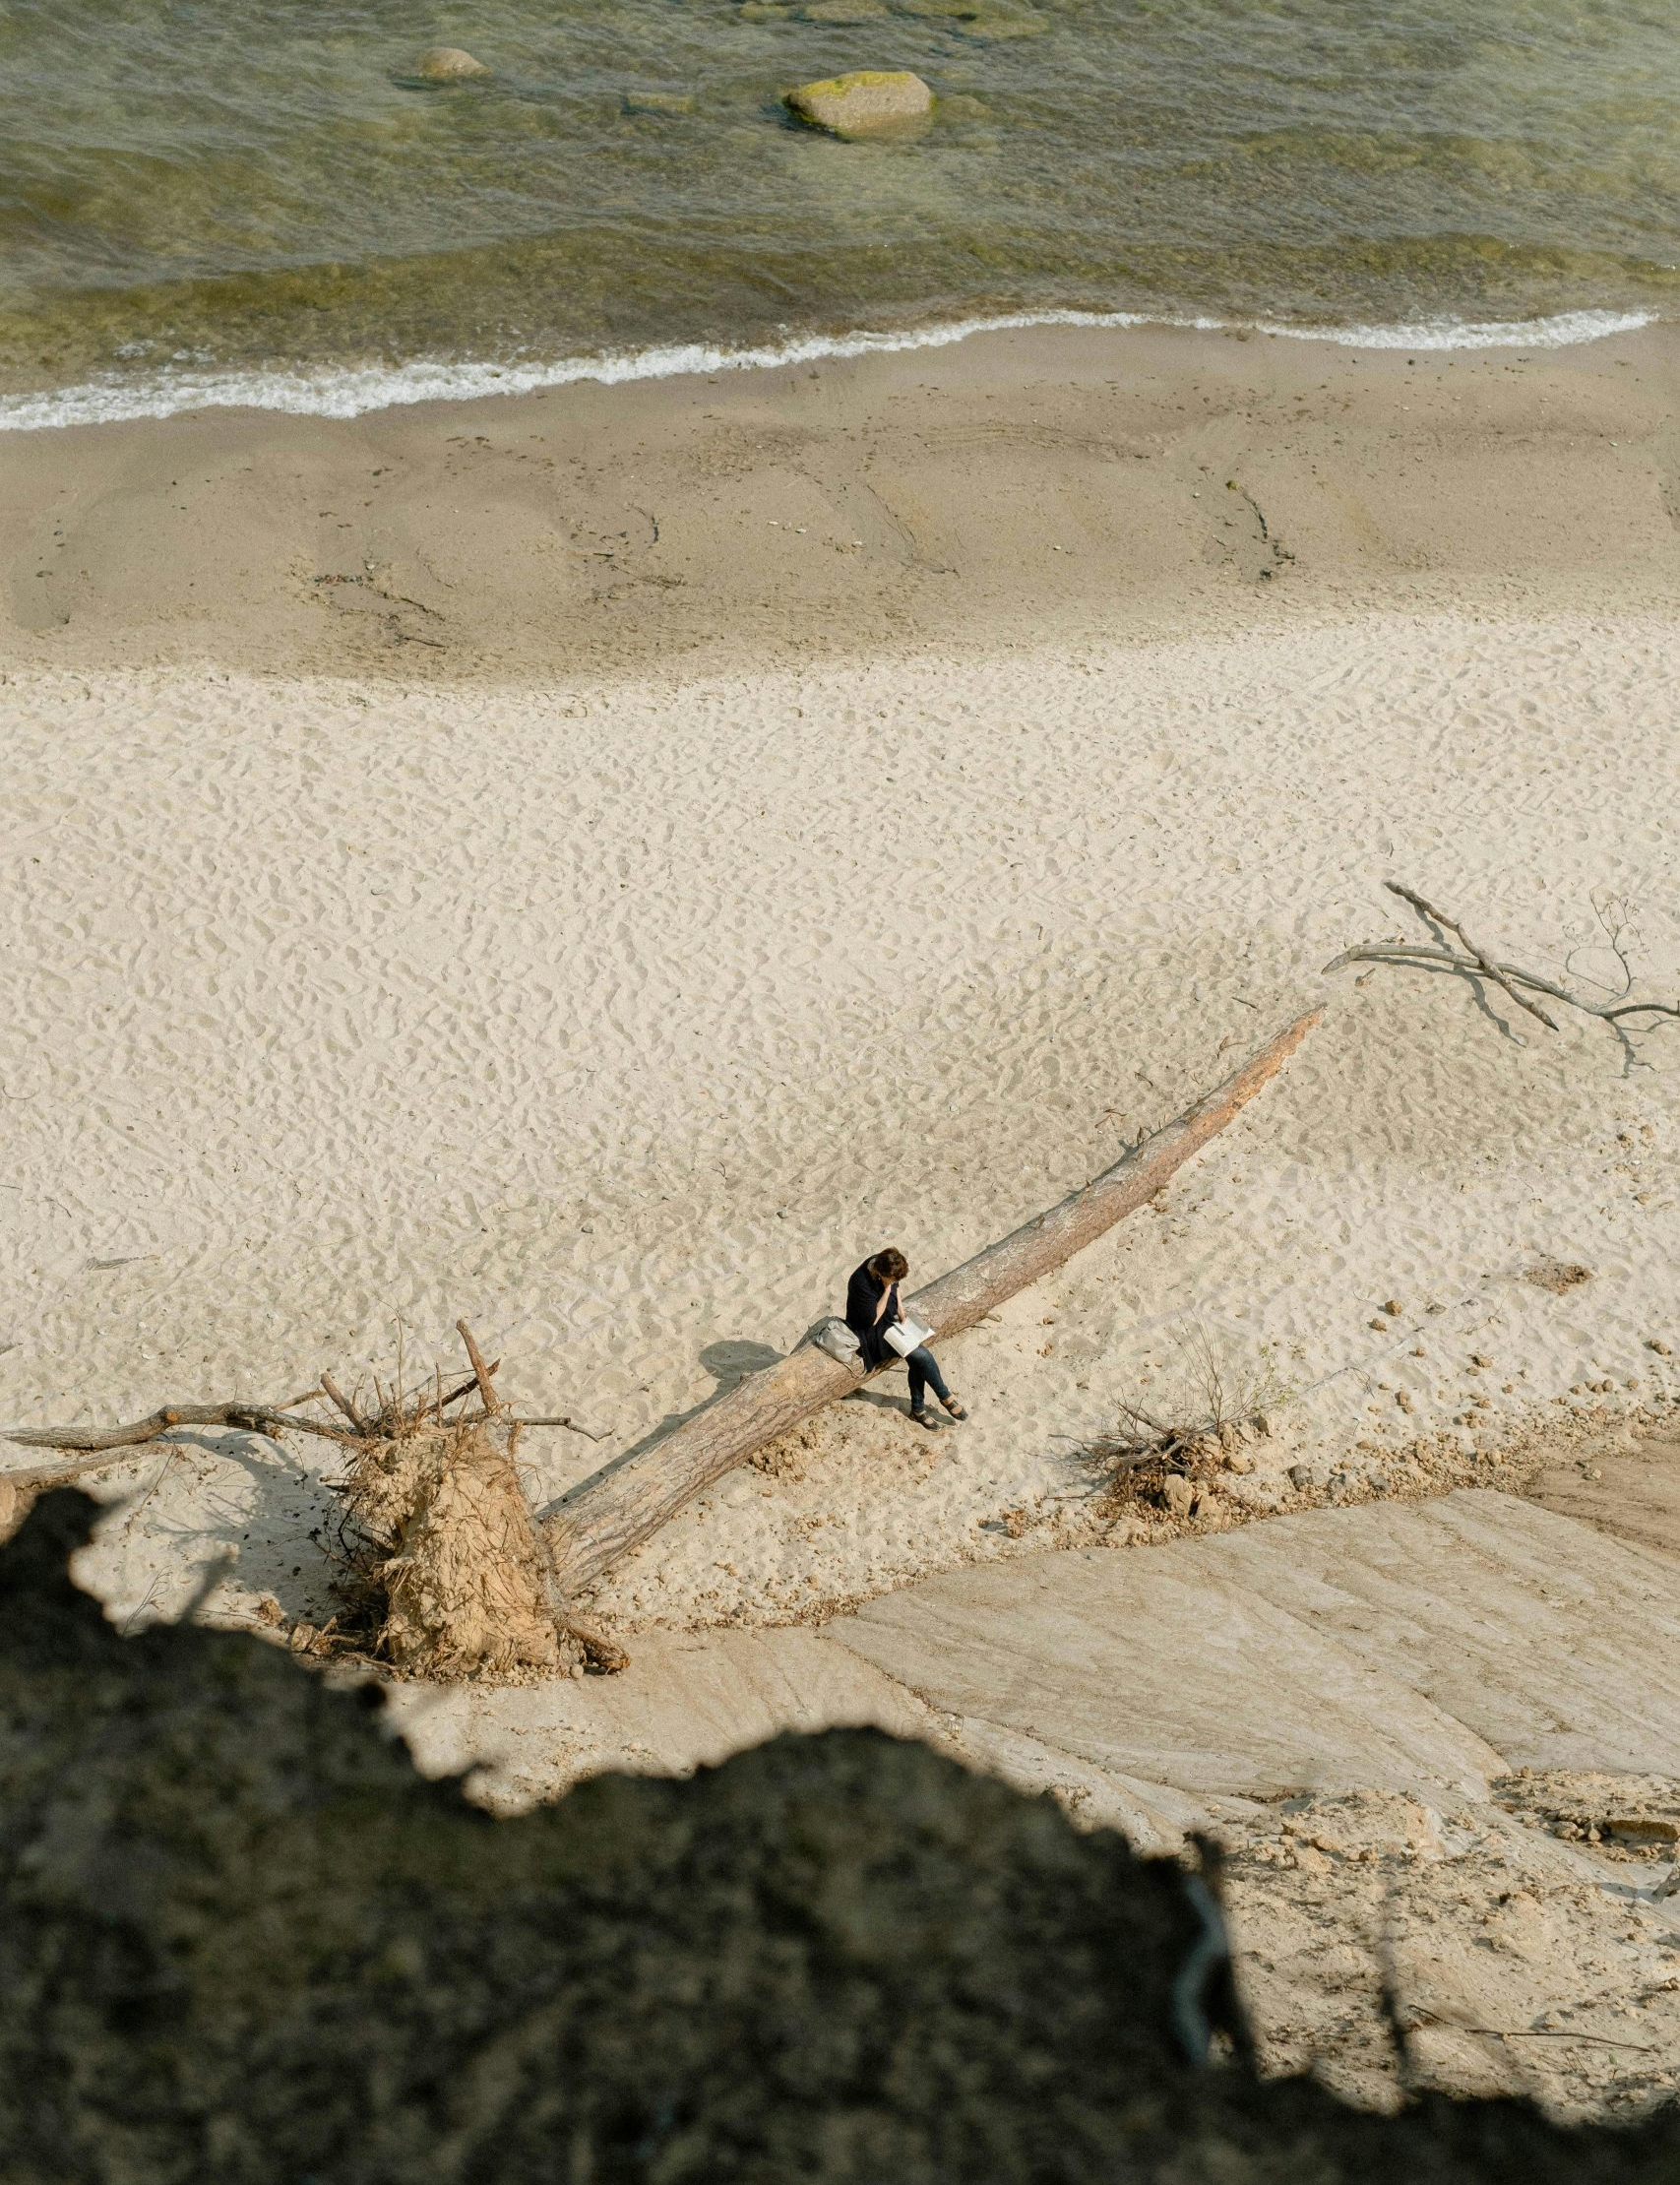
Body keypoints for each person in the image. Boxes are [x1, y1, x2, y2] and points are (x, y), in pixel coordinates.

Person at [843, 1246, 967, 1430]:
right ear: (880, 1272)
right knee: (921, 1356)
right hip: (870, 1331)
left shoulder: (882, 1261)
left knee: (917, 1359)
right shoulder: (860, 1282)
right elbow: (872, 1319)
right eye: (890, 1279)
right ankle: (945, 1396)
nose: (893, 1282)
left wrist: (900, 1309)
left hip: (889, 1320)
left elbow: (896, 1286)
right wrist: (886, 1289)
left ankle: (918, 1409)